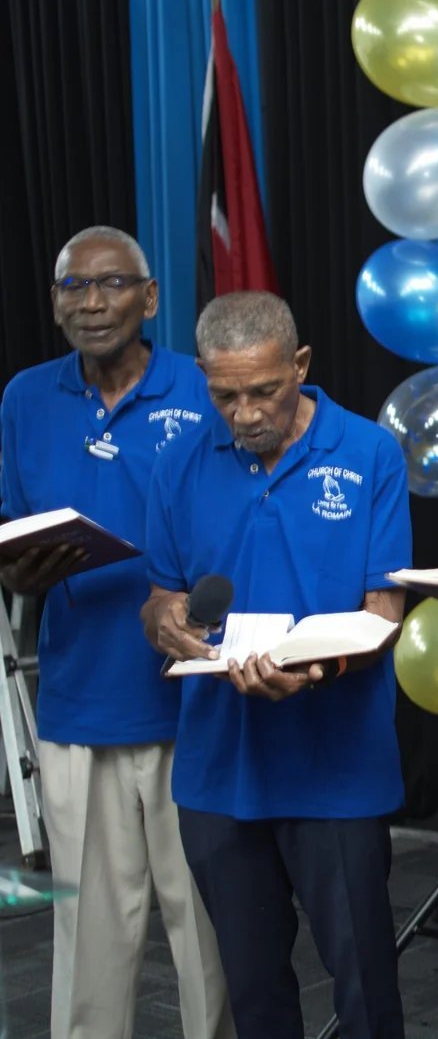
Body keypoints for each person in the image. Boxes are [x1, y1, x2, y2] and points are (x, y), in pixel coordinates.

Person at [140, 292, 410, 1039]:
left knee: (365, 993)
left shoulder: (368, 453)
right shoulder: (178, 464)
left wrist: (315, 669)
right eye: (225, 394)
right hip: (217, 775)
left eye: (264, 390)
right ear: (202, 377)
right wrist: (165, 622)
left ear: (300, 365)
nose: (246, 411)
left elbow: (384, 611)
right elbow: (161, 597)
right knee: (255, 998)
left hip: (338, 771)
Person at [0, 227, 233, 1039]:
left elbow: (240, 524)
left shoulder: (205, 388)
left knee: (207, 931)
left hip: (192, 702)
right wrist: (15, 573)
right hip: (78, 702)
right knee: (87, 936)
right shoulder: (26, 397)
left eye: (110, 285)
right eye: (73, 287)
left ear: (151, 297)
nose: (91, 303)